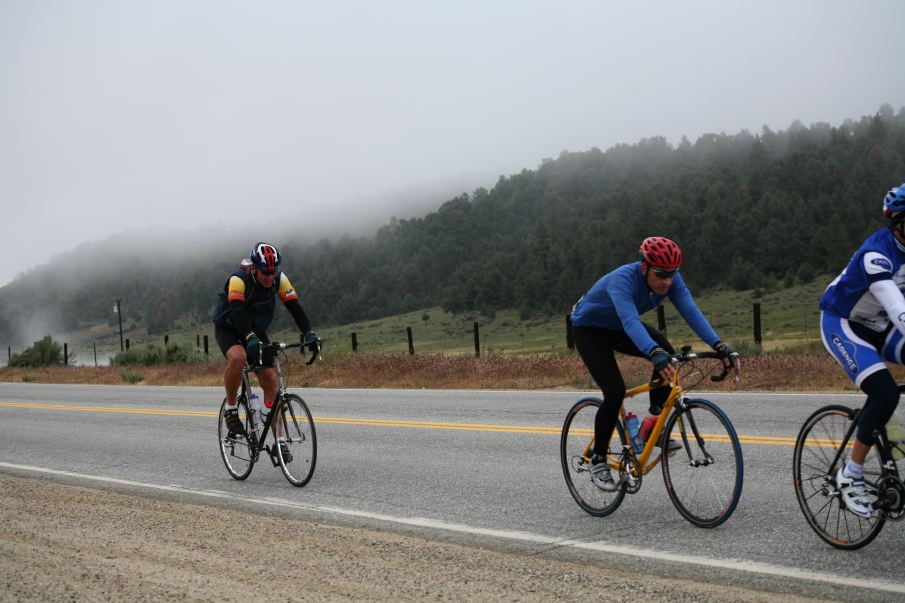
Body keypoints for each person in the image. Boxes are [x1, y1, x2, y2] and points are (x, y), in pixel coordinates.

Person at [570, 236, 737, 491]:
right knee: (614, 392)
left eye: (672, 274)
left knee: (667, 353)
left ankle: (650, 427)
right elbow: (630, 321)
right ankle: (599, 460)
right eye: (661, 274)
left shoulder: (671, 281)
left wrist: (719, 345)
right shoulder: (622, 280)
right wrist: (652, 351)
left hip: (617, 327)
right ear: (644, 267)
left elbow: (691, 311)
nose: (667, 281)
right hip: (589, 330)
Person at [820, 182, 905, 518]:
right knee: (885, 394)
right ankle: (850, 474)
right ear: (897, 225)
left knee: (886, 397)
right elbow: (898, 308)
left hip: (879, 323)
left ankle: (895, 441)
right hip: (842, 323)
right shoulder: (876, 255)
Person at [212, 242, 318, 460]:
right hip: (229, 327)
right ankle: (231, 409)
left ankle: (278, 441)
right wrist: (248, 338)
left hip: (256, 330)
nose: (270, 277)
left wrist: (309, 333)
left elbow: (294, 307)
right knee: (239, 357)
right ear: (254, 268)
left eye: (273, 272)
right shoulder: (238, 279)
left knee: (271, 381)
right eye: (265, 273)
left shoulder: (279, 279)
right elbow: (238, 311)